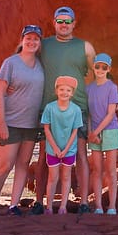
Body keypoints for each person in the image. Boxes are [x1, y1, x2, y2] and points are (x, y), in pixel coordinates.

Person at [33, 5, 95, 215]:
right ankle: (39, 203)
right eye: (60, 21)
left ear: (74, 24)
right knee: (44, 154)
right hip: (48, 107)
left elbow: (97, 75)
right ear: (54, 23)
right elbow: (26, 57)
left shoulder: (85, 47)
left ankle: (84, 202)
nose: (64, 25)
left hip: (77, 107)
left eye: (68, 21)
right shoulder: (44, 45)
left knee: (80, 154)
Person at [0, 24, 44, 218]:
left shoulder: (41, 65)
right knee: (5, 165)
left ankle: (13, 205)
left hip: (31, 124)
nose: (31, 42)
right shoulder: (11, 63)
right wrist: (2, 123)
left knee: (23, 164)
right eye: (28, 38)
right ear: (22, 40)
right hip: (11, 123)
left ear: (39, 43)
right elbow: (0, 93)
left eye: (35, 39)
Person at [40, 75, 84, 214]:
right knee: (53, 178)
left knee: (66, 177)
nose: (65, 93)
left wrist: (65, 149)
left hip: (69, 150)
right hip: (52, 150)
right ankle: (48, 207)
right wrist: (55, 148)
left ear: (72, 93)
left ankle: (63, 207)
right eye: (62, 89)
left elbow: (75, 131)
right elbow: (46, 128)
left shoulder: (76, 110)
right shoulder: (50, 108)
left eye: (68, 90)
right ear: (56, 91)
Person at [87, 52, 118, 215]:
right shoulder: (89, 89)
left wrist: (96, 131)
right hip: (94, 133)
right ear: (93, 67)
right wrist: (90, 132)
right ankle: (99, 206)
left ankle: (112, 206)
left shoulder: (112, 88)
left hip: (110, 131)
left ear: (109, 69)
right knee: (96, 169)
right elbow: (87, 113)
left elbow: (110, 114)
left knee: (111, 169)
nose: (100, 69)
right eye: (97, 66)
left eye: (104, 67)